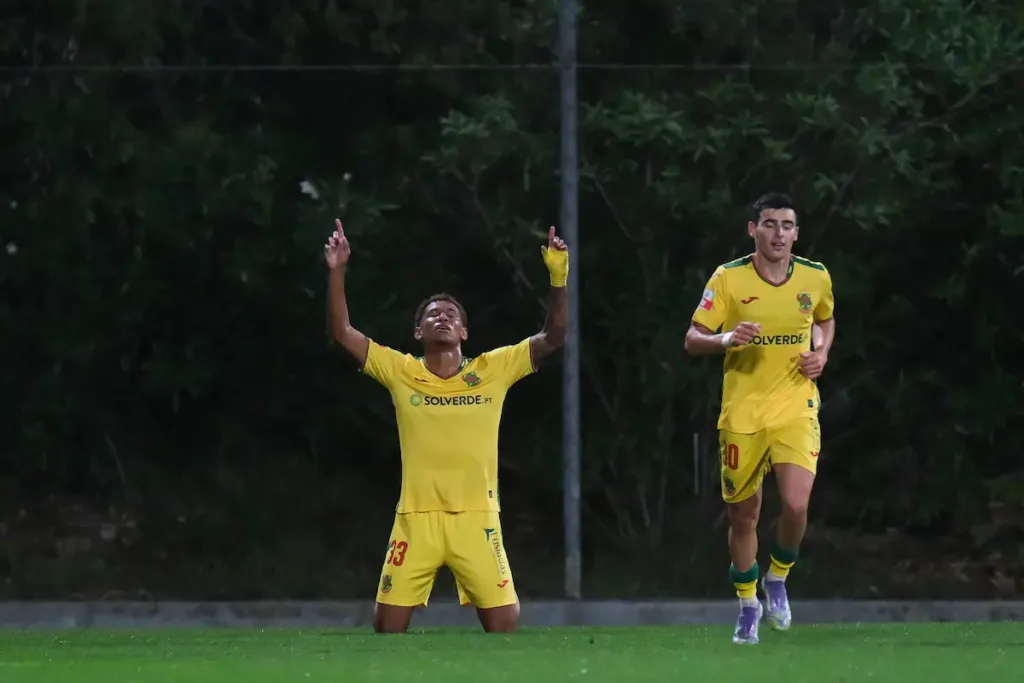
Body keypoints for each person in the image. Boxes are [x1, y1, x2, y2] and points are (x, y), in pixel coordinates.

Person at [324, 219, 569, 634]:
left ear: (464, 332)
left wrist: (558, 277)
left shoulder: (494, 368)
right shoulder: (400, 370)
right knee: (387, 628)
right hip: (417, 517)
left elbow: (553, 335)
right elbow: (342, 332)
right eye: (433, 315)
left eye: (451, 315)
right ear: (418, 332)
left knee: (505, 626)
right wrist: (337, 271)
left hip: (476, 517)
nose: (442, 318)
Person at [683, 193, 835, 645]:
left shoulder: (815, 275)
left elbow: (824, 320)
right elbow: (694, 338)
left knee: (795, 504)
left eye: (787, 226)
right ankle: (748, 603)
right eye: (769, 224)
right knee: (744, 517)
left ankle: (778, 577)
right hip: (743, 414)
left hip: (795, 405)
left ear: (796, 233)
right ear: (753, 230)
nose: (779, 234)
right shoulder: (728, 279)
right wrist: (728, 338)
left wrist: (821, 353)